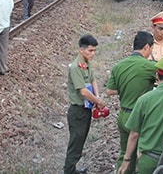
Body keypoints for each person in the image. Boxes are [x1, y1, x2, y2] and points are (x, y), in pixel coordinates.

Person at [119, 55, 163, 174]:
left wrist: (127, 159)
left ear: (157, 76)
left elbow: (134, 135)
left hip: (149, 160)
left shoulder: (144, 99)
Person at [107, 31, 157, 173]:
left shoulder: (118, 66)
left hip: (123, 115)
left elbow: (109, 91)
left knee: (125, 155)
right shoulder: (150, 67)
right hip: (138, 119)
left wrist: (126, 89)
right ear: (147, 47)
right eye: (151, 50)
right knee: (142, 156)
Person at [64, 35, 106, 174]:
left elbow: (93, 80)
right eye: (90, 51)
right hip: (78, 111)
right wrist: (98, 101)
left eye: (94, 51)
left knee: (80, 141)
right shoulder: (76, 67)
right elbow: (83, 92)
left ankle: (73, 169)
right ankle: (69, 171)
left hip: (86, 109)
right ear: (81, 50)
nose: (93, 53)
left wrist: (97, 96)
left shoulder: (86, 63)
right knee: (75, 144)